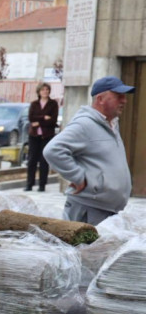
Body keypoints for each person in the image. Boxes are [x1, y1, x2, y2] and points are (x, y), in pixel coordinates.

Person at [44, 75, 134, 226]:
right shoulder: (85, 124)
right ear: (100, 99)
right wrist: (78, 177)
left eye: (124, 96)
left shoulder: (111, 124)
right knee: (85, 249)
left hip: (107, 209)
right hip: (89, 209)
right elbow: (53, 150)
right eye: (119, 96)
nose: (124, 100)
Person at [25, 83, 59, 192]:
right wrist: (44, 117)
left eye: (47, 89)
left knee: (44, 160)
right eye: (43, 89)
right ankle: (29, 184)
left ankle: (42, 185)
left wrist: (38, 122)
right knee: (32, 160)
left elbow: (53, 121)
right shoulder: (34, 104)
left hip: (47, 135)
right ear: (39, 91)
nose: (45, 91)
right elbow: (31, 118)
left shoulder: (53, 104)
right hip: (34, 135)